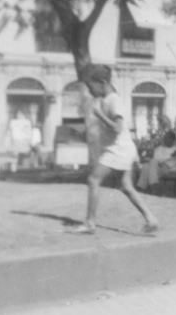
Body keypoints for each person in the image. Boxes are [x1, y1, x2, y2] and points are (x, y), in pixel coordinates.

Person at [68, 65, 159, 234]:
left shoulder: (113, 100)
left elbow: (118, 128)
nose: (90, 90)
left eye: (91, 86)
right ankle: (151, 219)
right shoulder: (106, 99)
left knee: (93, 180)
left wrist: (100, 116)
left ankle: (90, 224)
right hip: (123, 148)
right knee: (125, 186)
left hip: (118, 149)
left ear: (102, 83)